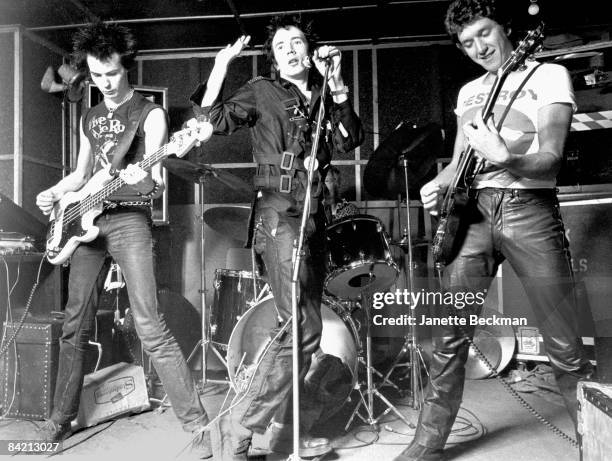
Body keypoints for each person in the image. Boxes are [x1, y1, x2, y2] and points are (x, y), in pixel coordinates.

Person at [395, 1, 593, 460]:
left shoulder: (547, 77)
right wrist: (437, 183)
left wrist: (508, 158)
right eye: (467, 42)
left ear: (503, 26)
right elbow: (461, 163)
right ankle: (426, 444)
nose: (478, 47)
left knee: (562, 338)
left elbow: (551, 156)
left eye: (483, 33)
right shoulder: (469, 93)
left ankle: (595, 442)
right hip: (474, 216)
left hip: (531, 210)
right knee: (449, 336)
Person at [190, 15, 364, 459]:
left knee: (305, 329)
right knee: (301, 326)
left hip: (315, 215)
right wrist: (219, 67)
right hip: (279, 212)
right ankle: (242, 426)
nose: (289, 48)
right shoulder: (263, 91)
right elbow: (212, 119)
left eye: (298, 40)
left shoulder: (326, 94)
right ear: (274, 56)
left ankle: (281, 432)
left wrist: (338, 83)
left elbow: (350, 140)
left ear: (311, 50)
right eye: (281, 43)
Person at [35, 22, 213, 458]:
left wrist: (139, 177)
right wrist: (56, 194)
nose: (104, 84)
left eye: (110, 74)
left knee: (150, 325)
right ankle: (58, 421)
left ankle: (200, 427)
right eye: (96, 76)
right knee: (74, 324)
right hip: (85, 223)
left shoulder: (148, 113)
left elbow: (154, 182)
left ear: (125, 67)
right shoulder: (91, 116)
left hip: (129, 220)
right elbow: (81, 174)